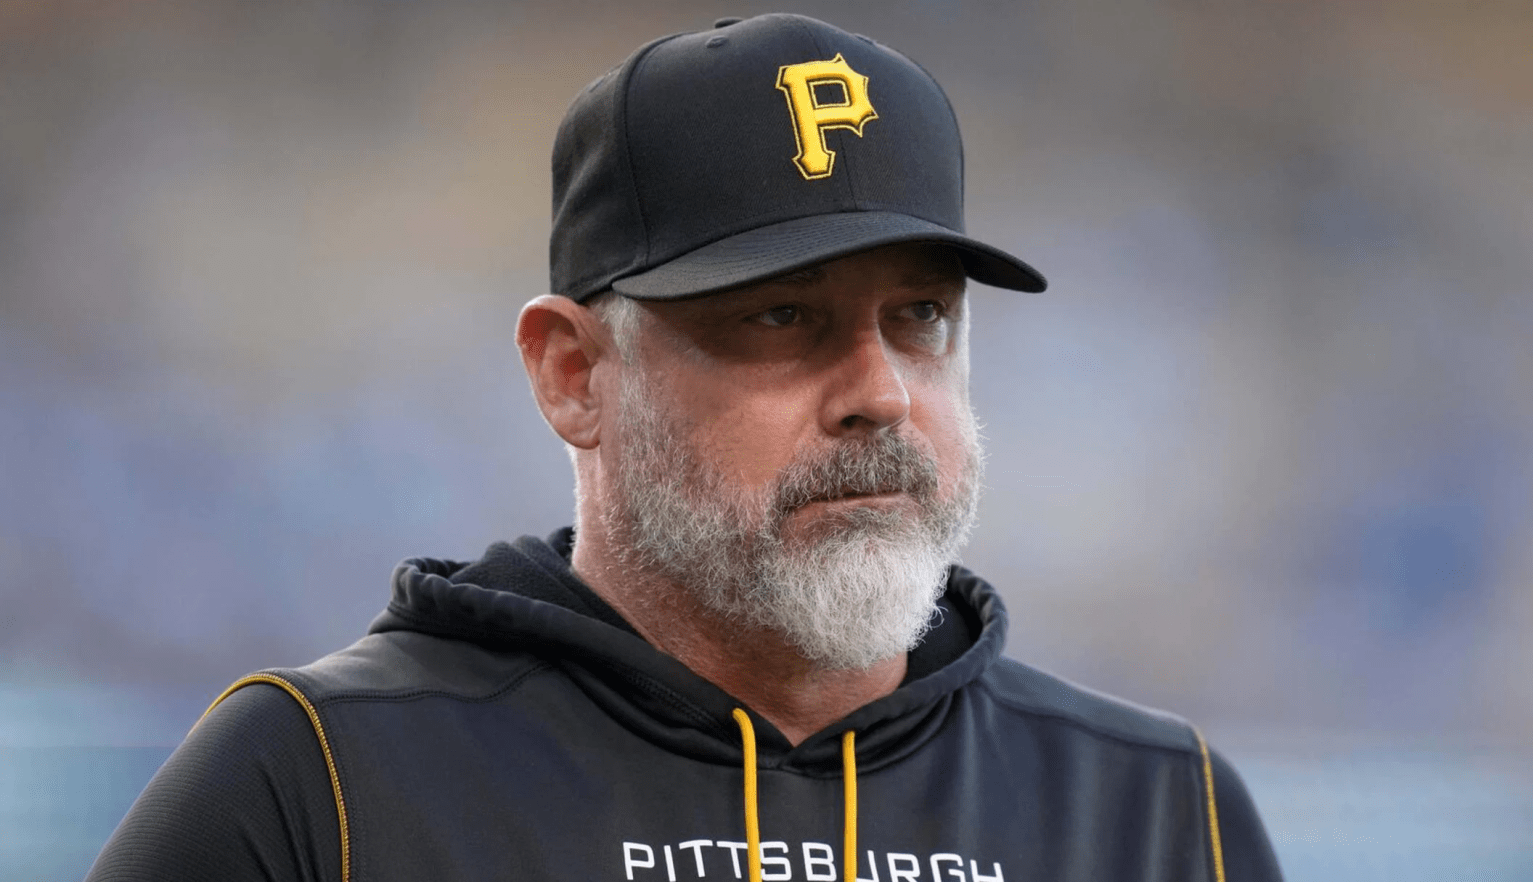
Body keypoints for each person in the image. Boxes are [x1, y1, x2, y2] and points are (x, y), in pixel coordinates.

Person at [89, 13, 1281, 882]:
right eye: (782, 316)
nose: (878, 394)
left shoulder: (1157, 814)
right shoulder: (325, 782)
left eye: (919, 316)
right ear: (573, 375)